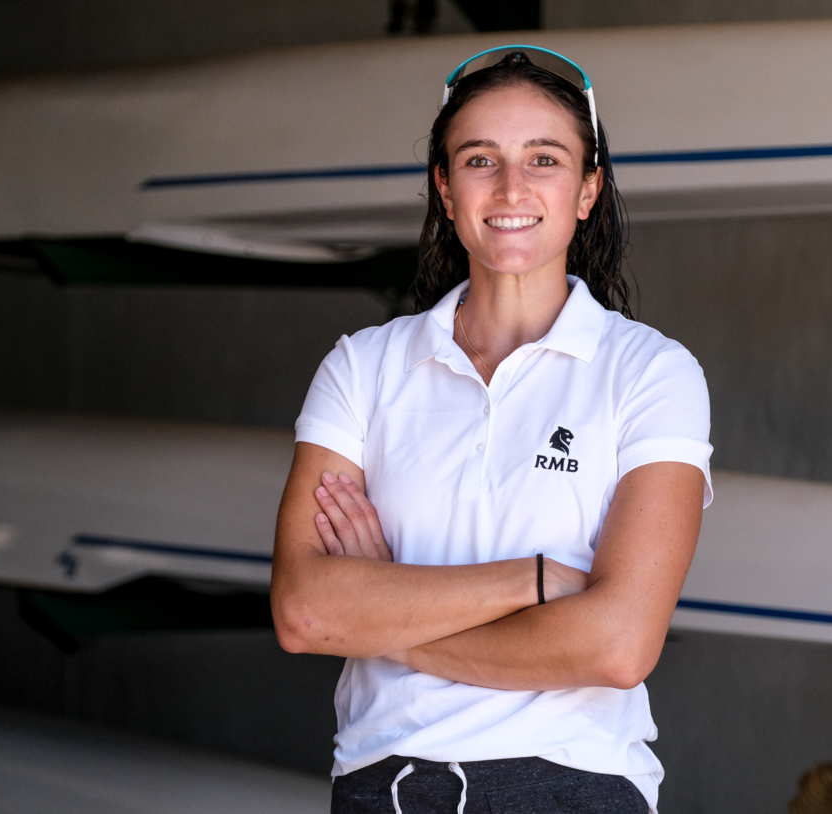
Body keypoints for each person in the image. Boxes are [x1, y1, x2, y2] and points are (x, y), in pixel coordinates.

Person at [271, 46, 713, 814]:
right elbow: (306, 612)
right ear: (445, 189)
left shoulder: (651, 372)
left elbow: (617, 647)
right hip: (383, 786)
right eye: (480, 160)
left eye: (544, 158)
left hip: (571, 786)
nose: (512, 187)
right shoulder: (363, 367)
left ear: (588, 189)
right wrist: (531, 581)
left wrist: (382, 617)